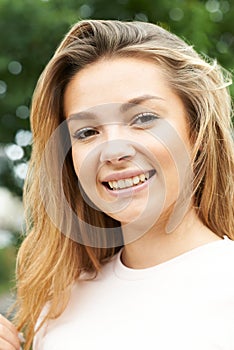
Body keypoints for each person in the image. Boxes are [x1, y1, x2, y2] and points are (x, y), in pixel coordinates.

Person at [0, 19, 234, 350]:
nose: (113, 151)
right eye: (86, 132)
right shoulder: (59, 305)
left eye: (143, 119)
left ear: (195, 131)